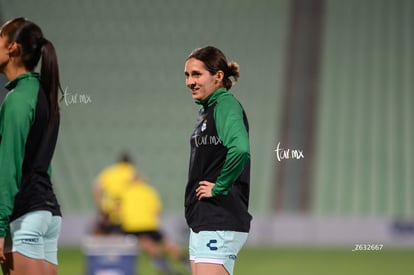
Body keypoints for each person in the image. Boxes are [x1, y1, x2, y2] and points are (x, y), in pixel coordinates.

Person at [0, 17, 63, 275]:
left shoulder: (16, 101)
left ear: (13, 48)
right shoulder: (41, 91)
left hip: (24, 214)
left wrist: (0, 226)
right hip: (47, 212)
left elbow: (8, 169)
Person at [183, 46, 252, 275]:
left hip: (219, 218)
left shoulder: (225, 105)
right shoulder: (208, 109)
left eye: (196, 74)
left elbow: (240, 149)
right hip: (204, 220)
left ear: (218, 76)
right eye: (187, 75)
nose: (189, 82)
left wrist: (220, 187)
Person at [118, 176, 191, 275]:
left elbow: (117, 209)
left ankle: (163, 267)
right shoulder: (148, 190)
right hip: (148, 224)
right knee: (166, 243)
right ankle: (185, 262)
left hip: (131, 225)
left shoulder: (124, 192)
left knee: (147, 244)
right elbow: (157, 210)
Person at [92, 154, 137, 235]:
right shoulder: (131, 171)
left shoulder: (109, 172)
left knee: (104, 231)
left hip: (108, 207)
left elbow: (97, 188)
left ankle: (94, 244)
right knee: (123, 234)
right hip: (124, 209)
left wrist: (100, 205)